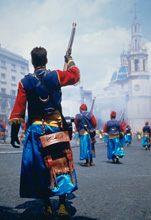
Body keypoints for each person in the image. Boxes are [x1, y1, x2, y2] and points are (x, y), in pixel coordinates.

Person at [9, 47, 80, 218]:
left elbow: (18, 111)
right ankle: (62, 206)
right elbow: (75, 75)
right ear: (46, 60)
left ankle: (47, 206)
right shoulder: (55, 75)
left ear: (32, 61)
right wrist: (69, 59)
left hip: (35, 132)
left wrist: (14, 134)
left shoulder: (24, 82)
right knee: (61, 165)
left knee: (39, 169)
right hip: (56, 128)